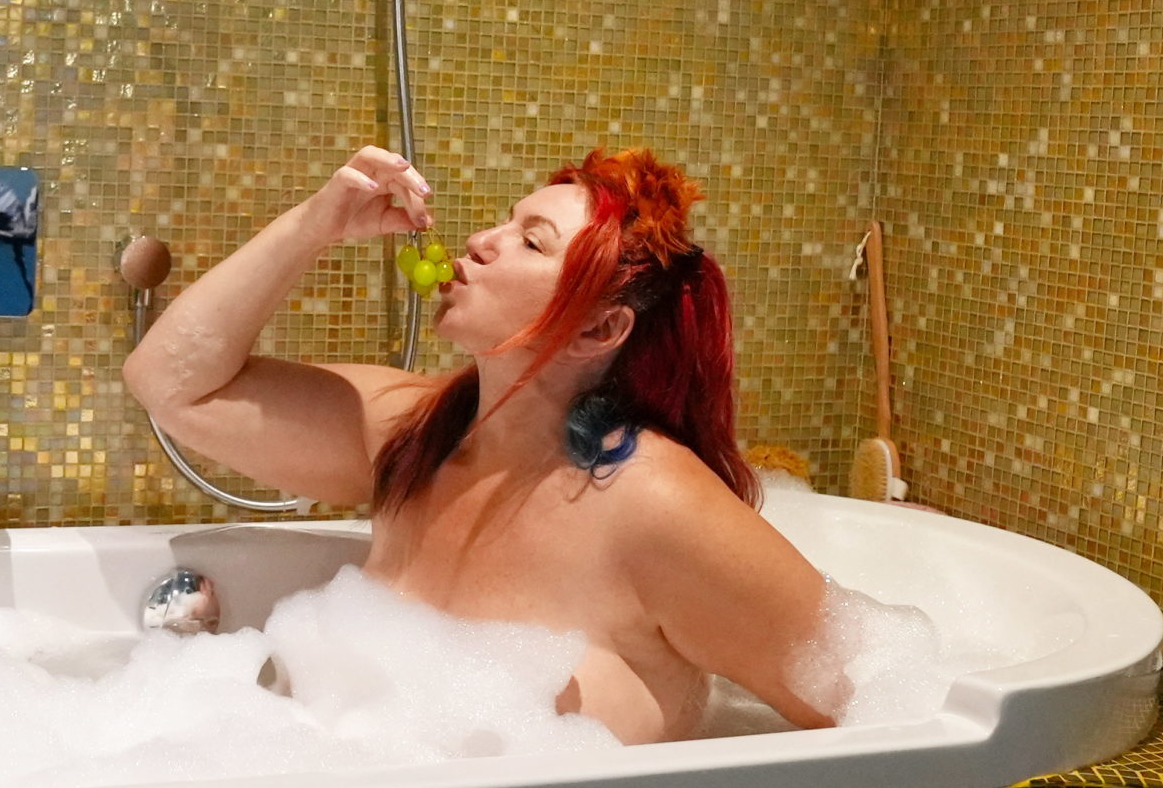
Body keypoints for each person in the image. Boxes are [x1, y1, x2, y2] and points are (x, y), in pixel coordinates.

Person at [123, 145, 838, 742]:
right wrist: (315, 223)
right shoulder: (414, 433)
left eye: (532, 240)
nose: (480, 240)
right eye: (507, 220)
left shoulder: (655, 504)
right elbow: (171, 384)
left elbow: (871, 700)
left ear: (599, 329)